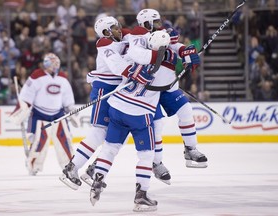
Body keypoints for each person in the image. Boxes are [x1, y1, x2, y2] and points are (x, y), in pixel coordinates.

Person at [59, 16, 170, 190]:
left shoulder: (125, 37)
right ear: (106, 32)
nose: (119, 29)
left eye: (118, 26)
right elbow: (117, 66)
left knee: (117, 133)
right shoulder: (104, 44)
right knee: (98, 132)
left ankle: (95, 169)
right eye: (114, 27)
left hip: (120, 90)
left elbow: (138, 39)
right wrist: (133, 73)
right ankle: (71, 168)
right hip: (104, 88)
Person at [89, 30, 174, 212]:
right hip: (140, 114)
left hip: (117, 107)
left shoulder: (134, 54)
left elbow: (121, 66)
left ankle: (97, 180)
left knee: (110, 148)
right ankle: (141, 195)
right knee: (146, 154)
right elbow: (170, 87)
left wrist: (135, 71)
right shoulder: (168, 68)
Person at [127, 8, 207, 168]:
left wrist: (185, 52)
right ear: (146, 23)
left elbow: (175, 46)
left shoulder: (163, 32)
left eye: (159, 21)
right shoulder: (137, 36)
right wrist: (162, 54)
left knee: (186, 111)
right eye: (155, 22)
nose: (159, 24)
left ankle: (190, 148)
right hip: (148, 90)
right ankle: (156, 163)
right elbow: (136, 54)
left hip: (168, 87)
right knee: (157, 126)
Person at [10, 53, 78, 175]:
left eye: (56, 64)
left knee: (65, 141)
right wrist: (22, 109)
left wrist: (71, 109)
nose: (55, 66)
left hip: (58, 115)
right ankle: (33, 165)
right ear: (46, 64)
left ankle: (69, 166)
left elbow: (67, 96)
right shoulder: (37, 76)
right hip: (39, 115)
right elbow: (26, 94)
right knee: (39, 142)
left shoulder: (62, 77)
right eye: (53, 64)